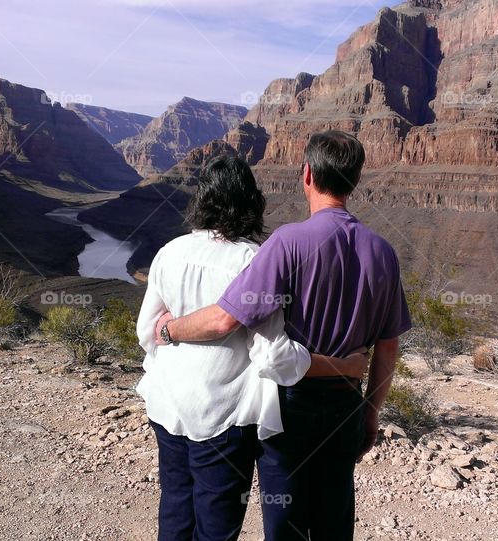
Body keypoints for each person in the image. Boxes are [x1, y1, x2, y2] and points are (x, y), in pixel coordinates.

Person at [154, 131, 412, 541]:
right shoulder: (383, 252)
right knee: (334, 520)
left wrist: (169, 329)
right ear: (354, 180)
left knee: (285, 524)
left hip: (289, 409)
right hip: (346, 402)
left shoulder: (287, 242)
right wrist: (371, 409)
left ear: (307, 174)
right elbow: (389, 345)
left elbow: (225, 318)